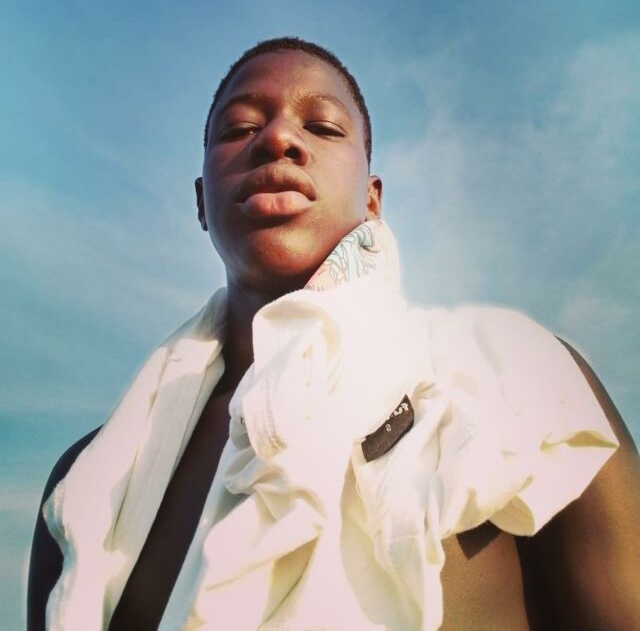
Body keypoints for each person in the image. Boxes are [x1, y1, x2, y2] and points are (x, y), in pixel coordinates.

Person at [28, 37, 640, 630]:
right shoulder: (88, 486)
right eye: (240, 128)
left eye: (322, 127)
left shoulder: (517, 383)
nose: (278, 139)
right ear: (200, 201)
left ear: (372, 199)